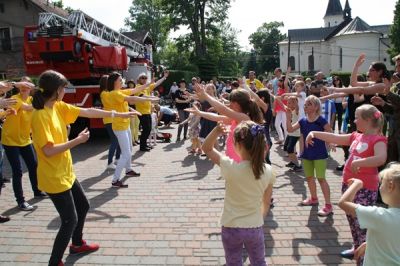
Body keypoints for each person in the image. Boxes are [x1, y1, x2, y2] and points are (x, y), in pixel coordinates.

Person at [30, 70, 140, 266]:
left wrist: (119, 113)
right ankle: (54, 262)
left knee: (83, 206)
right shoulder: (40, 116)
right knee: (69, 221)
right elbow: (48, 151)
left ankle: (77, 243)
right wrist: (77, 141)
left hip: (66, 172)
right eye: (64, 87)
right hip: (54, 177)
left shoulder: (57, 106)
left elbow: (88, 111)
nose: (66, 90)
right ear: (56, 90)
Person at [306, 104, 387, 264]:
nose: (354, 120)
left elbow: (381, 158)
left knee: (361, 223)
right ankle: (357, 247)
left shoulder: (378, 140)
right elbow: (334, 137)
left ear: (369, 120)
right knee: (352, 220)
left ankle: (365, 256)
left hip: (364, 189)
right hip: (349, 186)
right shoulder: (357, 136)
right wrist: (314, 133)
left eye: (357, 117)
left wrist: (361, 163)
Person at [202, 121, 274, 266]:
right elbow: (266, 202)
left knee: (233, 261)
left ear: (238, 145)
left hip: (231, 226)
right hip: (254, 227)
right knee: (259, 261)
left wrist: (216, 131)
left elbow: (207, 148)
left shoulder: (230, 167)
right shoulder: (268, 171)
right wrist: (259, 219)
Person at [338, 163, 400, 266]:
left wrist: (356, 184)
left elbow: (343, 203)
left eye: (381, 183)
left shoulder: (379, 215)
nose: (379, 187)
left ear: (390, 186)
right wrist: (370, 244)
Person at [107, 72, 160, 187]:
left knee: (129, 149)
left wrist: (148, 85)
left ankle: (128, 169)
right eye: (120, 80)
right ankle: (115, 179)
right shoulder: (114, 94)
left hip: (125, 125)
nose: (122, 81)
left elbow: (135, 90)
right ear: (114, 82)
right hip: (119, 127)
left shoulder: (120, 91)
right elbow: (133, 98)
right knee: (126, 153)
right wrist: (151, 98)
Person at [2, 77, 46, 212]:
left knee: (34, 166)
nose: (24, 89)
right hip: (10, 140)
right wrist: (41, 104)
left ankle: (37, 191)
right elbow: (27, 108)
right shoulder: (15, 99)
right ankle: (21, 201)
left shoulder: (32, 99)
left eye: (27, 86)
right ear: (18, 88)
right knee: (18, 171)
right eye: (22, 86)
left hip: (26, 140)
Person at [188, 84, 263, 162]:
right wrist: (199, 112)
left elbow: (223, 110)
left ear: (236, 104)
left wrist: (206, 95)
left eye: (231, 102)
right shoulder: (236, 118)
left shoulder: (244, 118)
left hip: (240, 160)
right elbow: (216, 117)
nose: (229, 105)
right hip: (234, 159)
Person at [286, 95, 333, 217]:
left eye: (309, 104)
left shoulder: (321, 120)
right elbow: (290, 129)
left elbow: (329, 132)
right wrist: (287, 116)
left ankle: (328, 205)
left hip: (319, 154)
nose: (306, 105)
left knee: (321, 179)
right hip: (306, 154)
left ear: (316, 107)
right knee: (309, 177)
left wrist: (330, 143)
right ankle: (313, 198)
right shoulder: (302, 121)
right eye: (305, 103)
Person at [135, 71, 169, 151]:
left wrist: (164, 77)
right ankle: (142, 147)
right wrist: (153, 98)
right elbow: (142, 96)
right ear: (139, 79)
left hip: (147, 111)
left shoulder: (147, 87)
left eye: (145, 78)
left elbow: (157, 83)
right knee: (146, 129)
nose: (144, 79)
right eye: (142, 78)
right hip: (141, 112)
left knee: (148, 129)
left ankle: (144, 145)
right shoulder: (138, 87)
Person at [99, 75, 121, 170]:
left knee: (119, 140)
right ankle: (109, 162)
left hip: (114, 119)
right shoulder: (104, 93)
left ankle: (117, 158)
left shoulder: (108, 92)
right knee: (115, 141)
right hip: (109, 120)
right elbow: (113, 102)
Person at [285, 96, 302, 171]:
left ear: (294, 104)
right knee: (286, 147)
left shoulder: (296, 110)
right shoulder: (289, 110)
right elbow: (282, 105)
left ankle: (298, 166)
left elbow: (297, 106)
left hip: (295, 133)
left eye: (289, 103)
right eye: (287, 102)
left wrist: (295, 100)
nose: (287, 104)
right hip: (290, 133)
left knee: (290, 148)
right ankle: (292, 162)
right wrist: (276, 98)